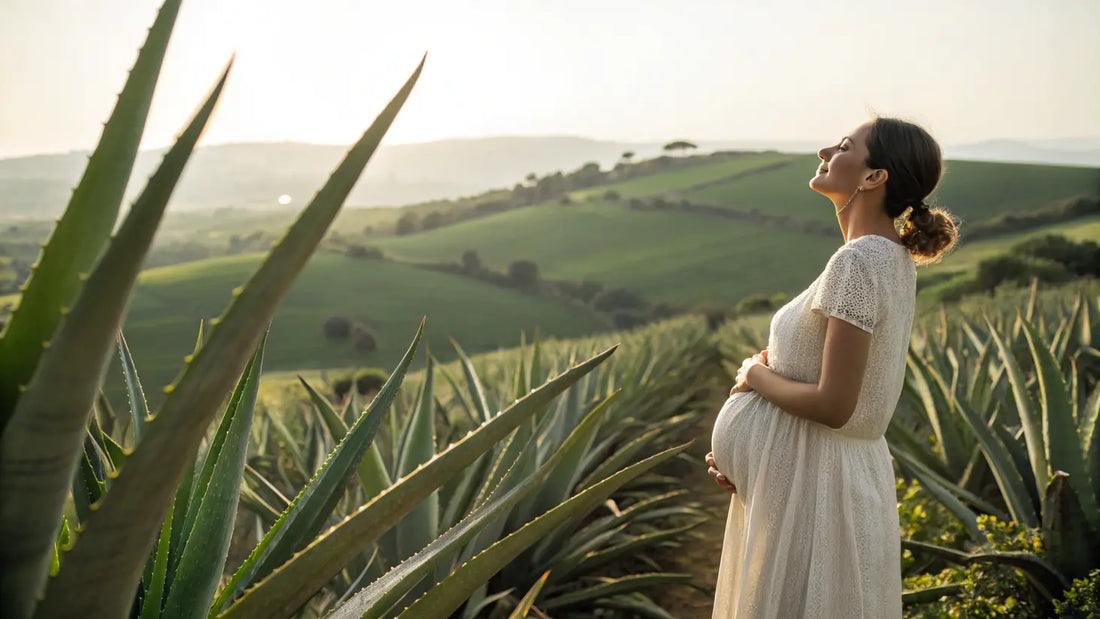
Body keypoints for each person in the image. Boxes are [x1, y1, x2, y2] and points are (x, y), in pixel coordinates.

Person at [705, 117, 960, 618]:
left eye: (844, 146)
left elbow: (835, 405)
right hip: (809, 480)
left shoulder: (859, 262)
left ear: (873, 178)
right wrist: (752, 460)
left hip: (819, 490)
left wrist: (752, 376)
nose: (824, 149)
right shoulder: (887, 258)